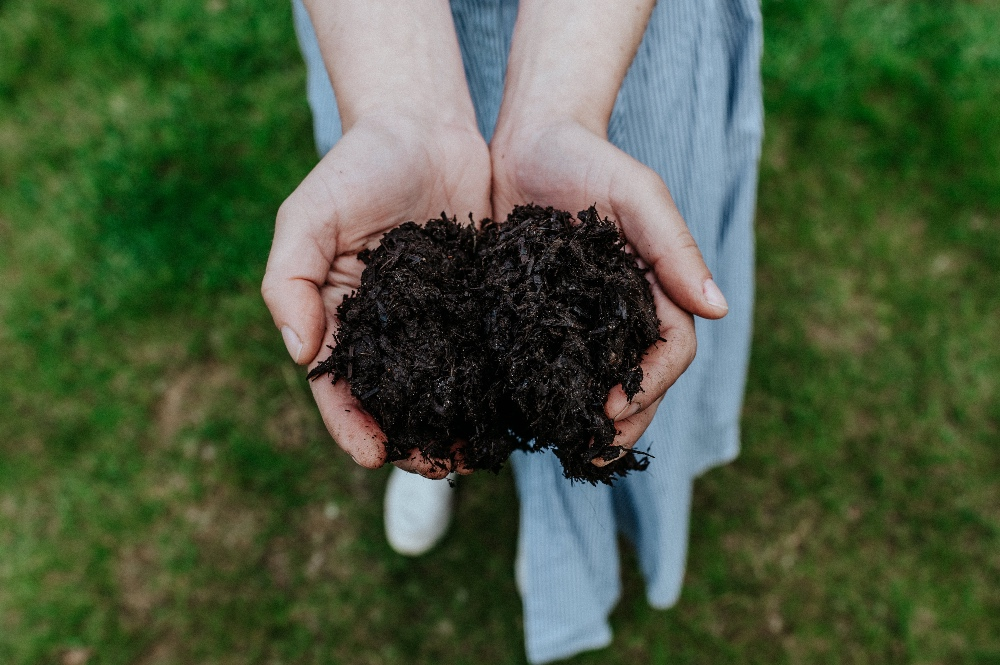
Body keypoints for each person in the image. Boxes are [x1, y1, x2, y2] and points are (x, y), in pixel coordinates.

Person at [261, 1, 762, 662]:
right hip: (375, 31)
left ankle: (561, 506)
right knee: (416, 335)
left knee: (602, 381)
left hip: (610, 37)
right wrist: (399, 107)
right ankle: (426, 429)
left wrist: (561, 106)